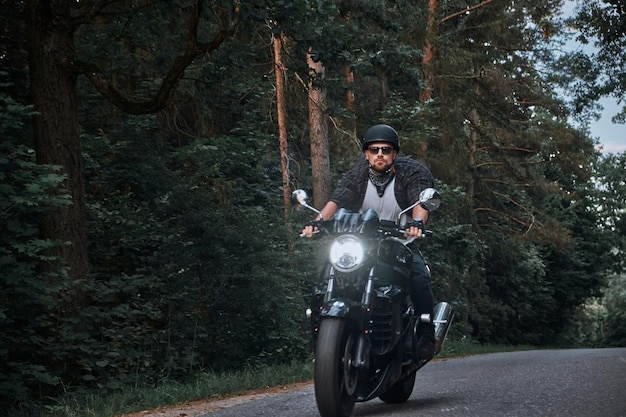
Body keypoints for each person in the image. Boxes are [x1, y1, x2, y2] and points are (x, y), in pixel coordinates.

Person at [302, 124, 437, 360]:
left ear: (394, 153)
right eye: (374, 150)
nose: (380, 154)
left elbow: (420, 202)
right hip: (362, 244)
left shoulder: (412, 172)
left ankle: (426, 333)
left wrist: (417, 223)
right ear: (366, 153)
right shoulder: (359, 173)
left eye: (386, 149)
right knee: (327, 272)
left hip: (399, 242)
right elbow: (338, 198)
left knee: (418, 278)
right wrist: (317, 223)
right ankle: (324, 339)